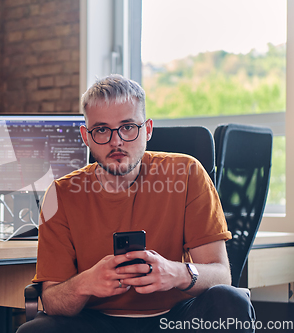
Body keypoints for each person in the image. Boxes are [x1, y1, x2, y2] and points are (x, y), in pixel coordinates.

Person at [17, 74, 254, 333]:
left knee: (230, 303)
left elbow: (221, 276)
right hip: (96, 321)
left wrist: (175, 273)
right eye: (102, 130)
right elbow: (52, 301)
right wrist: (86, 283)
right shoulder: (60, 195)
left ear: (148, 129)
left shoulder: (187, 173)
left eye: (128, 127)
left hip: (176, 318)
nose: (116, 141)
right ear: (86, 136)